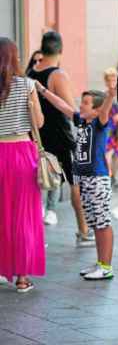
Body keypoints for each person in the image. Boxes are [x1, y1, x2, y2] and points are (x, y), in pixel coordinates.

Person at [36, 83, 116, 281]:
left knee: (102, 223)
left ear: (96, 110)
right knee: (95, 223)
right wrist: (43, 91)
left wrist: (111, 94)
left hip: (98, 179)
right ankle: (100, 263)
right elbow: (62, 106)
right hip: (86, 180)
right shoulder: (81, 122)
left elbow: (106, 107)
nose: (81, 106)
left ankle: (106, 266)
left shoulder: (100, 123)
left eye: (86, 103)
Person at [27, 31, 93, 245]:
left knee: (35, 187)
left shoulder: (30, 72)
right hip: (61, 139)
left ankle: (34, 235)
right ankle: (83, 232)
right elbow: (70, 109)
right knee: (76, 184)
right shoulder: (57, 75)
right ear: (61, 51)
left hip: (37, 137)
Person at [0, 37, 46, 293]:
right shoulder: (26, 85)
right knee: (24, 216)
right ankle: (22, 277)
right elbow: (38, 122)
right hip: (21, 153)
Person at [103, 68, 118, 187]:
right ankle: (109, 177)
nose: (111, 82)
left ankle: (114, 177)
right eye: (108, 80)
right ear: (105, 81)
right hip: (108, 128)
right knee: (108, 153)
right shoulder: (104, 95)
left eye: (113, 79)